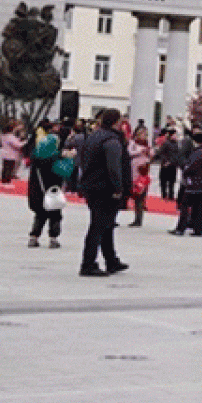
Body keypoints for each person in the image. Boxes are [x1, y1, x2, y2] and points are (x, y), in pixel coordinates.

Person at [77, 108, 130, 277]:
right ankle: (88, 263)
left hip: (93, 186)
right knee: (99, 226)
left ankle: (111, 260)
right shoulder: (112, 140)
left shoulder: (95, 136)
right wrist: (118, 188)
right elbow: (114, 167)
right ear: (115, 122)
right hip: (104, 189)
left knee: (106, 226)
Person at [27, 127, 66, 249]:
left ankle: (34, 237)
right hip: (52, 191)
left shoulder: (36, 159)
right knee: (55, 215)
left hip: (38, 191)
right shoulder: (56, 159)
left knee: (40, 214)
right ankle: (53, 239)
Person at [127, 125, 152, 227]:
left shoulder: (147, 144)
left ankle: (139, 218)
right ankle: (136, 217)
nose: (144, 136)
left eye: (145, 134)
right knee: (136, 194)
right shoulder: (133, 142)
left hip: (144, 169)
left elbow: (151, 154)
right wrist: (139, 151)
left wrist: (150, 152)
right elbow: (129, 152)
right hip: (135, 169)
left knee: (142, 195)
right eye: (142, 134)